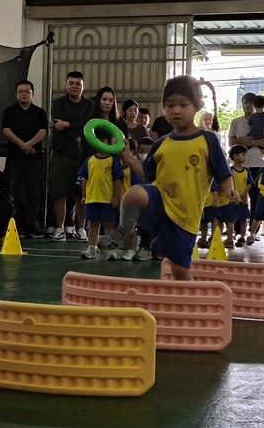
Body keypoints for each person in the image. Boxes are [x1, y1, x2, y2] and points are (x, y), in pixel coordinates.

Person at [98, 75, 237, 280]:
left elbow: (222, 171)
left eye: (183, 105)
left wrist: (230, 190)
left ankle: (188, 297)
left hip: (185, 217)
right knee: (134, 194)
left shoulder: (207, 140)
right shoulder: (162, 143)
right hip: (160, 202)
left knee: (179, 270)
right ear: (164, 108)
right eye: (170, 105)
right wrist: (127, 157)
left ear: (198, 106)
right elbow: (147, 172)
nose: (176, 110)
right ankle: (123, 234)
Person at [48, 70, 93, 241]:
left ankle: (80, 228)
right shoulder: (58, 103)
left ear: (83, 86)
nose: (74, 86)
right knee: (59, 194)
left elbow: (87, 126)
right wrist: (76, 136)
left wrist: (67, 124)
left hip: (83, 157)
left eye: (78, 84)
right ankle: (59, 228)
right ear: (66, 84)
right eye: (71, 83)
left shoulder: (90, 105)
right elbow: (58, 126)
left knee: (81, 195)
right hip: (61, 154)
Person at [1, 79, 47, 238]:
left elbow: (43, 131)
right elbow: (6, 131)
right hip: (14, 158)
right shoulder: (9, 111)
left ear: (32, 94)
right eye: (20, 92)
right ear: (16, 94)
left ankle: (31, 228)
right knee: (13, 193)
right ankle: (13, 226)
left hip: (34, 159)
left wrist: (30, 144)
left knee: (33, 193)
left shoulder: (39, 112)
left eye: (27, 91)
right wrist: (23, 145)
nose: (24, 94)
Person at [228, 92, 264, 245]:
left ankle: (253, 231)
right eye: (246, 102)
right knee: (238, 197)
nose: (249, 105)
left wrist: (252, 142)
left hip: (259, 165)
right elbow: (231, 143)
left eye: (252, 102)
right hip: (240, 167)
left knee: (256, 198)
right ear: (242, 104)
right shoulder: (236, 122)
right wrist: (241, 140)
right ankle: (237, 231)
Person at [78, 135, 124, 259]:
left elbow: (117, 181)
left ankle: (111, 250)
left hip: (107, 199)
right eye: (98, 140)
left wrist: (115, 197)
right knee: (92, 224)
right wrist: (84, 196)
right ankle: (91, 248)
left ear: (108, 143)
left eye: (103, 140)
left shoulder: (113, 160)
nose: (100, 143)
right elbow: (84, 179)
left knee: (109, 225)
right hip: (92, 198)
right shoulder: (89, 160)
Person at [225, 144, 250, 248]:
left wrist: (244, 194)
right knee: (231, 219)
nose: (245, 157)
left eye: (245, 155)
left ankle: (242, 237)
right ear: (235, 156)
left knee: (244, 218)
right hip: (232, 200)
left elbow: (249, 183)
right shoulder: (230, 170)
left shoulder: (246, 170)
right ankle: (230, 238)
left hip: (243, 200)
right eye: (243, 155)